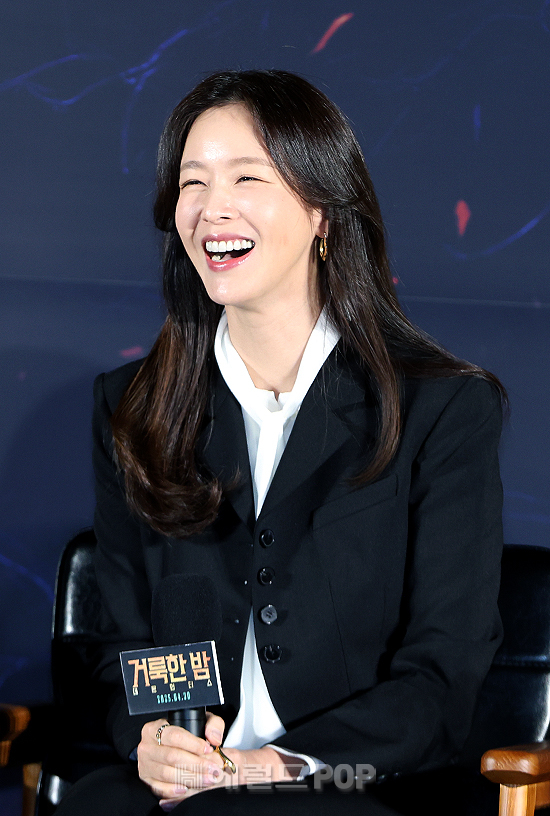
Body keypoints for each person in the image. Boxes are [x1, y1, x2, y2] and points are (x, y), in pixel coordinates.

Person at [55, 69, 505, 815]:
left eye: (247, 177)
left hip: (351, 782)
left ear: (322, 210)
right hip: (188, 789)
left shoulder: (441, 408)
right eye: (193, 183)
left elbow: (441, 677)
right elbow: (120, 646)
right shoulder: (135, 407)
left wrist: (273, 766)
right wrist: (151, 738)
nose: (213, 208)